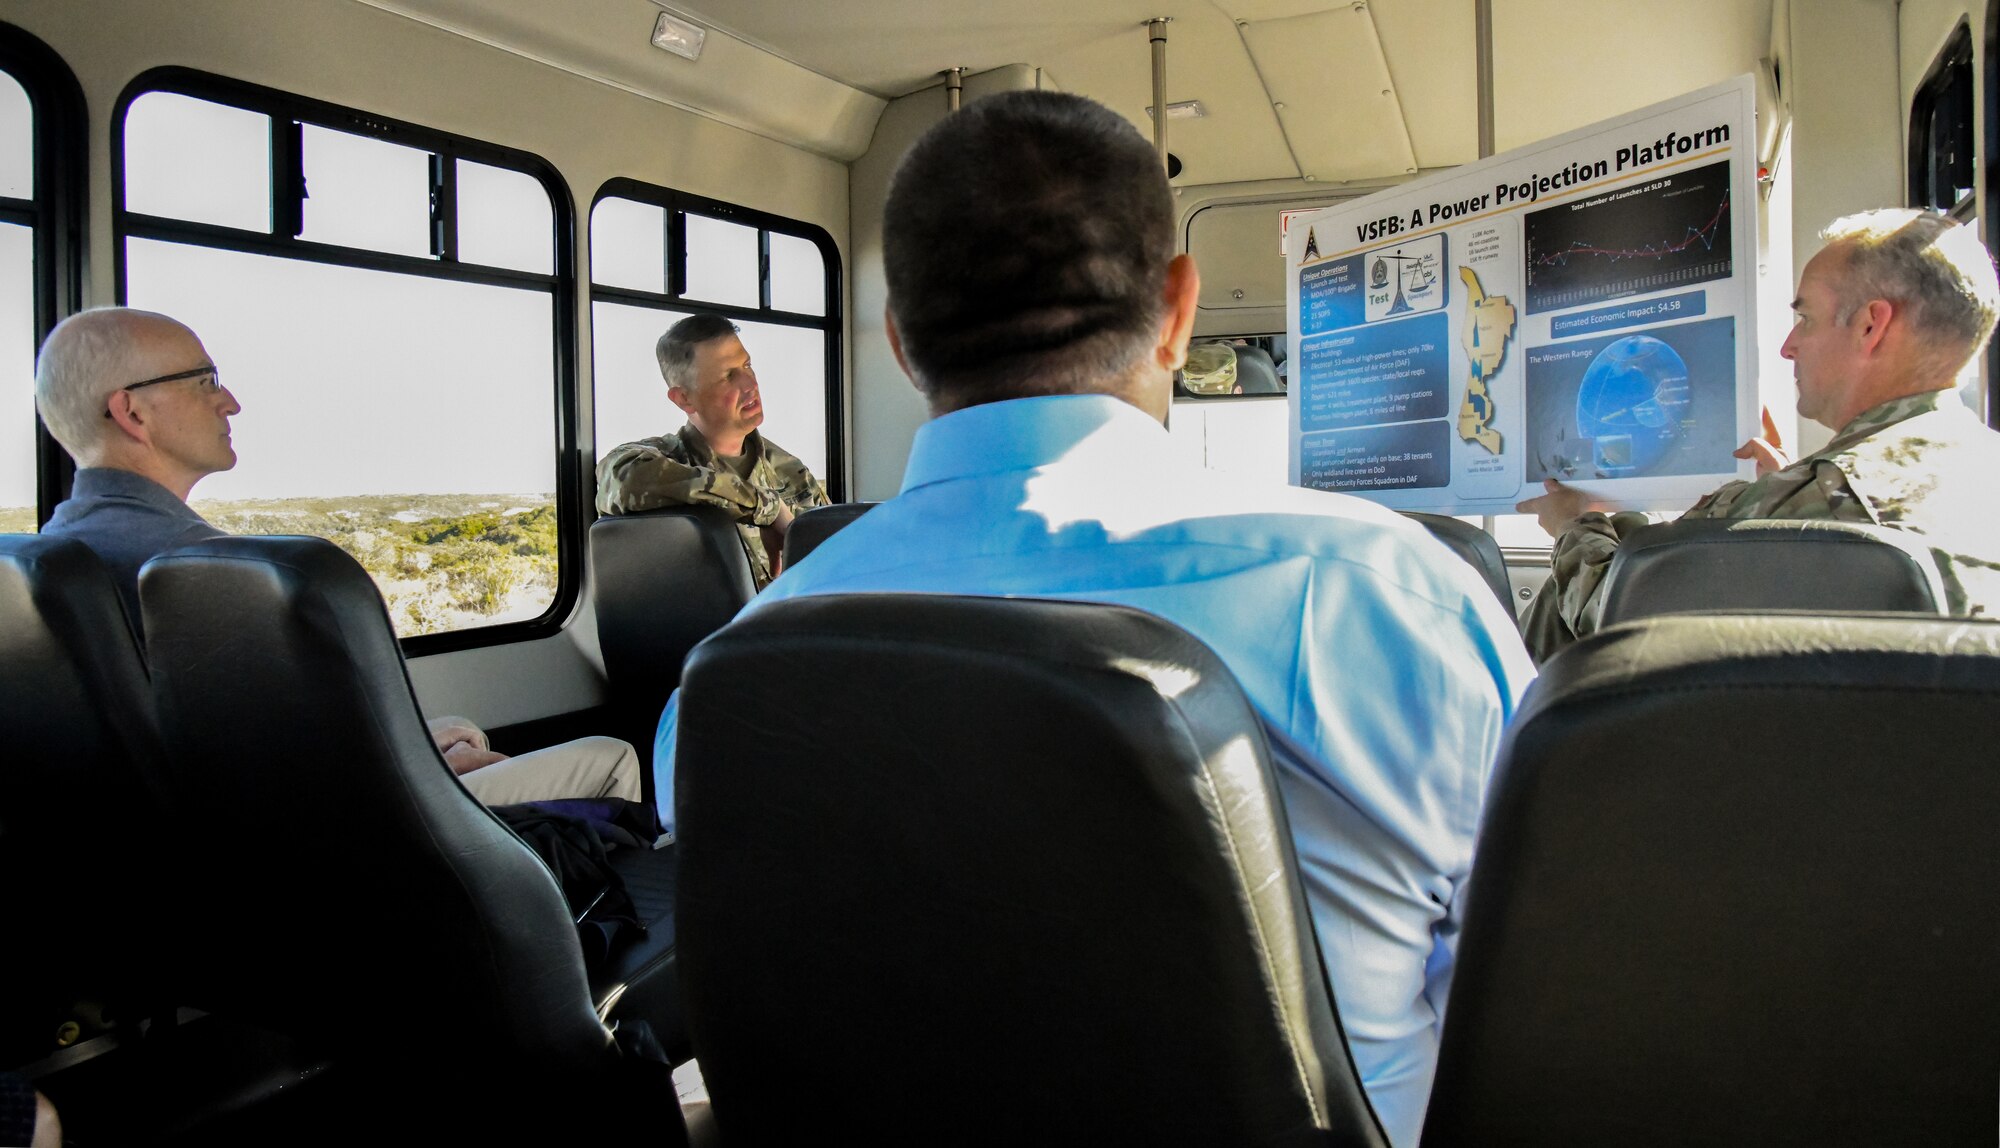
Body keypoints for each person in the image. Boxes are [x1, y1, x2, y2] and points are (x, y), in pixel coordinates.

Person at [650, 92, 1536, 1146]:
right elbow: (1548, 992)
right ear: (1177, 308)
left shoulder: (736, 672)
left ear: (896, 341)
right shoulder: (1388, 598)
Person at [33, 307, 641, 807]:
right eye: (205, 381)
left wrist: (421, 749)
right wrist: (422, 770)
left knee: (455, 729)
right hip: (338, 841)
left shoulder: (48, 563)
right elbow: (316, 778)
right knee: (609, 758)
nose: (231, 403)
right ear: (131, 411)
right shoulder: (227, 581)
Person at [1518, 209, 2000, 661]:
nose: (1788, 346)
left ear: (1871, 325)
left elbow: (1622, 626)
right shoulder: (1983, 469)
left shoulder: (1812, 501)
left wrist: (1572, 527)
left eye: (1805, 318)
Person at [595, 313, 830, 588]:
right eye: (728, 376)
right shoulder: (657, 463)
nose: (750, 384)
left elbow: (838, 565)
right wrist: (767, 508)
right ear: (684, 398)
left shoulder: (791, 473)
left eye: (747, 365)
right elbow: (624, 481)